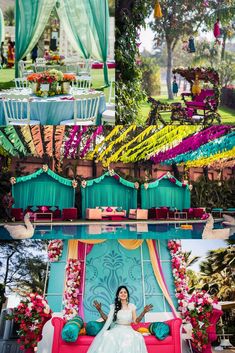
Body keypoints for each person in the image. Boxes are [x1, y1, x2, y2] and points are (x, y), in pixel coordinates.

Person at [87, 285, 153, 353]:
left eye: (125, 292)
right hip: (117, 329)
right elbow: (108, 320)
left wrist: (144, 312)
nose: (123, 294)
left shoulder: (132, 306)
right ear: (118, 295)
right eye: (121, 292)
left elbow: (135, 322)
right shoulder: (114, 306)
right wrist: (99, 310)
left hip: (128, 329)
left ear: (127, 294)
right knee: (107, 335)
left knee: (136, 337)